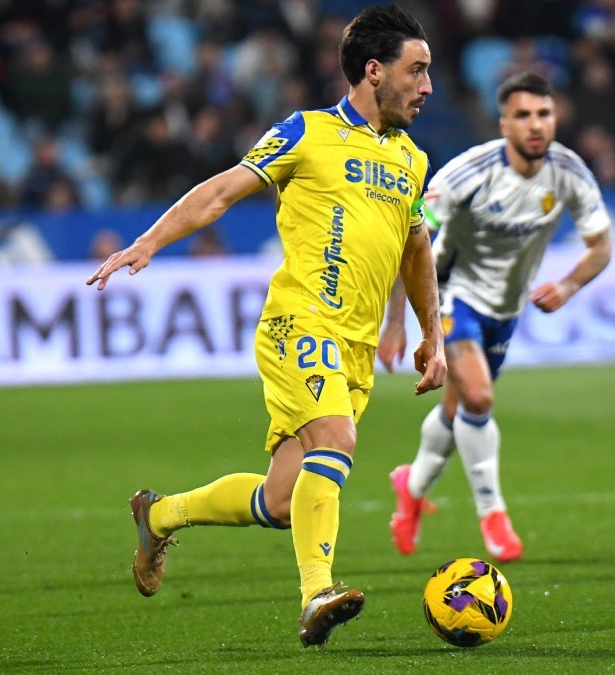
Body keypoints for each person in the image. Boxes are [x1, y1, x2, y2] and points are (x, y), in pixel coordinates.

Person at [86, 5, 446, 646]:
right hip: (298, 323)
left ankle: (161, 515)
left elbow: (416, 250)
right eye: (415, 71)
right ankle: (317, 595)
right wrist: (149, 241)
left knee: (282, 501)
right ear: (373, 71)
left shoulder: (413, 161)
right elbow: (222, 190)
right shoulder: (306, 134)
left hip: (355, 348)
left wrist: (431, 334)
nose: (426, 87)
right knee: (336, 440)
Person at [379, 72, 613, 563]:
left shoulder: (568, 172)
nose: (535, 125)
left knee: (455, 409)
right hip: (450, 295)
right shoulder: (467, 173)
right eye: (523, 115)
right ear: (503, 123)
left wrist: (569, 285)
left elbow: (601, 246)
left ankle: (411, 488)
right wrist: (398, 322)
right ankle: (493, 512)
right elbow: (411, 237)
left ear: (556, 118)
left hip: (505, 311)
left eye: (544, 114)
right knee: (479, 397)